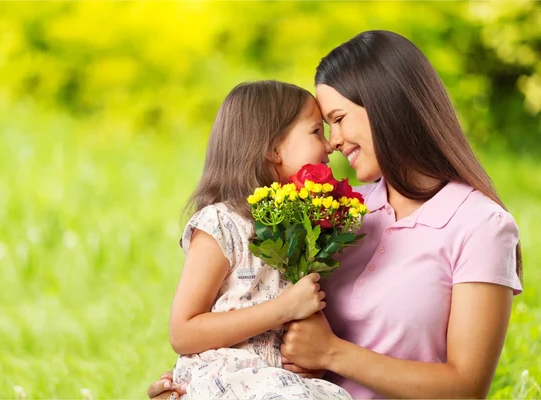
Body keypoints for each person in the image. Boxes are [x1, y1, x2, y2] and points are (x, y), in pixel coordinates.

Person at [148, 30, 523, 399]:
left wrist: (332, 353)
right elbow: (252, 313)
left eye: (339, 118)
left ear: (385, 105)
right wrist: (200, 382)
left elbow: (467, 388)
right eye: (324, 127)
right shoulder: (337, 212)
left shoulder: (480, 225)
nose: (334, 142)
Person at [166, 80, 352, 399]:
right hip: (227, 378)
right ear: (273, 149)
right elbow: (183, 333)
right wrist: (283, 308)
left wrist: (309, 363)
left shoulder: (301, 226)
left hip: (279, 381)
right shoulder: (222, 224)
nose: (331, 144)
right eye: (315, 132)